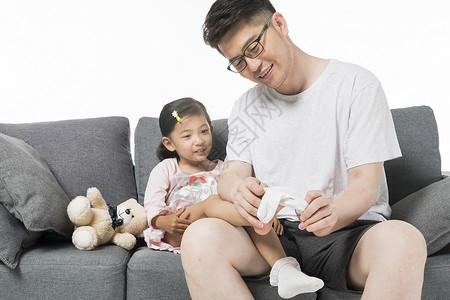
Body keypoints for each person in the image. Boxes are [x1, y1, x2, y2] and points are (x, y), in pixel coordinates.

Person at [180, 1, 427, 299]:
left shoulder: (355, 85)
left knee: (404, 241)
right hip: (275, 239)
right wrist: (237, 190)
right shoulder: (247, 107)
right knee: (199, 237)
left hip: (349, 234)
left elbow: (365, 185)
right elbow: (232, 175)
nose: (253, 67)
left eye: (254, 48)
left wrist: (334, 211)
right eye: (239, 63)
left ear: (280, 25)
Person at [144, 97, 324, 298]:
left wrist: (260, 210)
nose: (199, 140)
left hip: (222, 228)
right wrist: (162, 220)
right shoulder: (167, 168)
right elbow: (151, 203)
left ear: (211, 130)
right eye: (187, 136)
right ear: (169, 143)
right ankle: (268, 207)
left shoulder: (225, 169)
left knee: (243, 202)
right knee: (215, 203)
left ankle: (285, 270)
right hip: (178, 226)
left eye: (203, 131)